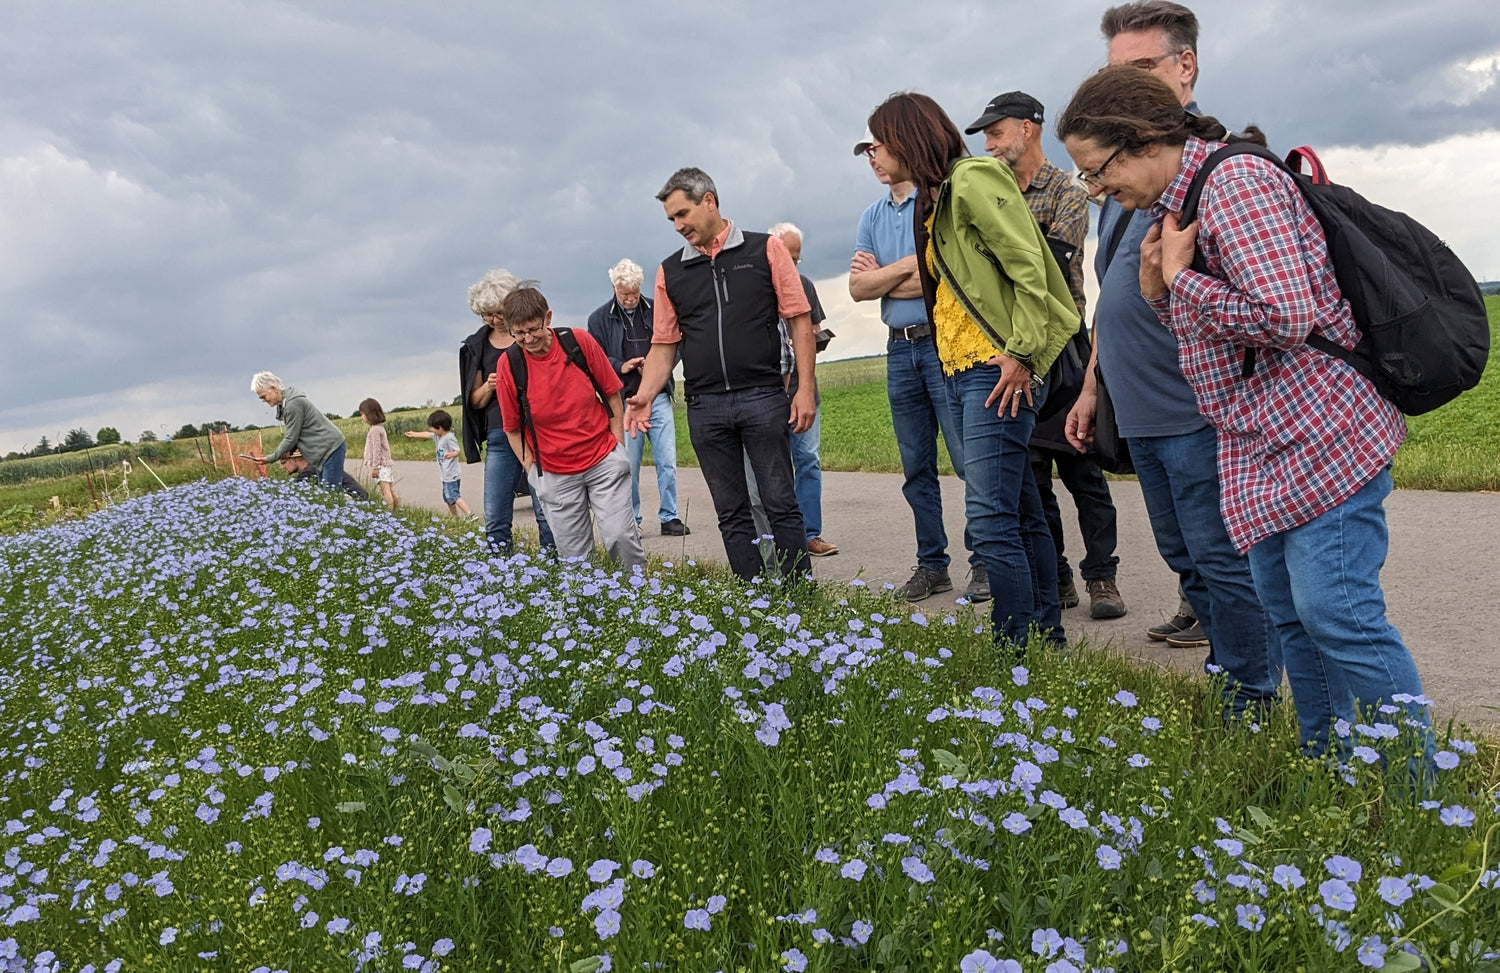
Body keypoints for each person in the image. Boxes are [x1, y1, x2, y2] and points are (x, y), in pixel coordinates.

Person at [1058, 66, 1429, 754]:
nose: (1096, 188)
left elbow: (1285, 316)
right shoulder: (1173, 205)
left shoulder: (1235, 185)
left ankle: (1420, 793)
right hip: (1258, 443)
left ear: (1139, 141)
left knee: (1337, 612)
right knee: (1290, 616)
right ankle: (1330, 768)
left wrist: (1176, 279)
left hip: (1322, 433)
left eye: (1095, 170)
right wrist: (1159, 291)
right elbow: (1213, 333)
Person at [1066, 1, 1257, 656]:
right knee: (1183, 547)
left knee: (1221, 553)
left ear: (1186, 66)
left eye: (1143, 67)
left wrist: (1178, 284)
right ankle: (1216, 637)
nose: (1127, 88)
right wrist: (1094, 381)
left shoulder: (1217, 171)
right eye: (1116, 72)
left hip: (1194, 405)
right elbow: (1112, 293)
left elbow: (1269, 308)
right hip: (1140, 403)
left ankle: (1246, 679)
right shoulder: (1125, 178)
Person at [866, 92, 1078, 651]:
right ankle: (1046, 637)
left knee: (988, 520)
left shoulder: (974, 179)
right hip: (960, 368)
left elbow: (1028, 265)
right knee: (1020, 507)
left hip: (996, 367)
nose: (874, 154)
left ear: (910, 139)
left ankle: (1012, 651)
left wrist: (1022, 352)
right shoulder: (932, 202)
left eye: (881, 141)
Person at [966, 90, 1127, 620]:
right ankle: (1056, 576)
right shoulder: (994, 193)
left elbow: (1050, 263)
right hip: (1013, 347)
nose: (988, 144)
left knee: (1082, 468)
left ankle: (1102, 576)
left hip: (1063, 344)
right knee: (1032, 473)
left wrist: (1000, 251)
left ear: (1027, 130)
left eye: (995, 132)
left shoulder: (1065, 189)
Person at [626, 167, 815, 582]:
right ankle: (754, 596)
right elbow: (663, 344)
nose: (678, 226)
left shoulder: (765, 250)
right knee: (730, 511)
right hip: (705, 406)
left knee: (780, 501)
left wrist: (805, 389)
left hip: (763, 396)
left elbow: (800, 320)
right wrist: (645, 393)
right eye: (671, 219)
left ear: (708, 200)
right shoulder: (669, 272)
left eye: (682, 214)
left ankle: (801, 598)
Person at [850, 132, 987, 603]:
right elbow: (857, 289)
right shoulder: (871, 215)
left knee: (969, 459)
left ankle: (984, 560)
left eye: (879, 148)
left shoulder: (934, 203)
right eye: (867, 152)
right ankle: (933, 565)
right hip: (899, 349)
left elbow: (940, 275)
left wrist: (888, 277)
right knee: (916, 466)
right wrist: (905, 269)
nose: (873, 159)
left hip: (941, 344)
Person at [496, 287, 646, 571]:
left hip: (603, 460)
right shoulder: (509, 365)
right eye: (518, 334)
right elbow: (512, 429)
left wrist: (618, 448)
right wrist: (531, 469)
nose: (527, 339)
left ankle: (638, 601)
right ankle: (588, 611)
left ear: (547, 318)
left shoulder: (578, 342)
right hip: (554, 473)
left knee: (621, 538)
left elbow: (612, 394)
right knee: (576, 560)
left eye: (533, 329)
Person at [586, 258, 690, 537]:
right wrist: (622, 365)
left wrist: (658, 368)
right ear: (613, 288)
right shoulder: (597, 319)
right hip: (625, 400)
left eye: (634, 292)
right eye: (624, 294)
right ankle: (632, 518)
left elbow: (675, 344)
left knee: (667, 459)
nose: (630, 298)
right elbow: (594, 358)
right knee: (628, 464)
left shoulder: (657, 309)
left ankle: (670, 517)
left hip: (657, 395)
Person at [458, 269, 556, 553]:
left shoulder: (529, 336)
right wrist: (489, 387)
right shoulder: (475, 347)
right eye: (486, 315)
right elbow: (473, 402)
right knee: (496, 512)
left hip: (538, 432)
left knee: (545, 508)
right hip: (500, 433)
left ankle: (554, 567)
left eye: (499, 313)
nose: (494, 320)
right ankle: (502, 572)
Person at [765, 222, 837, 558]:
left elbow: (816, 331)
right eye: (787, 257)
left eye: (797, 259)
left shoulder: (805, 285)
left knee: (807, 460)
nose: (793, 266)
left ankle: (810, 533)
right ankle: (776, 537)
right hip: (766, 392)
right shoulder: (758, 288)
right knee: (771, 465)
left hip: (802, 389)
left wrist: (809, 342)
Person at [249, 372, 348, 491]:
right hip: (323, 451)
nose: (263, 400)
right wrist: (289, 450)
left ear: (273, 389)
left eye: (263, 396)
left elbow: (291, 438)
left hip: (330, 448)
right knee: (325, 491)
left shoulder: (292, 405)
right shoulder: (285, 405)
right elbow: (297, 432)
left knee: (331, 493)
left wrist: (270, 458)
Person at [405, 409, 474, 519]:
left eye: (432, 427)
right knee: (447, 497)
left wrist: (452, 454)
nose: (430, 429)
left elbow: (457, 450)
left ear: (440, 427)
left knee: (453, 495)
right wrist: (414, 434)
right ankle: (455, 517)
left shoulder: (449, 437)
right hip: (446, 475)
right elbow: (427, 434)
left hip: (451, 474)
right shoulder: (438, 436)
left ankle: (470, 515)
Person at [277, 450, 368, 499]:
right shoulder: (313, 466)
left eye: (284, 462)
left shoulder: (309, 471)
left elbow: (294, 494)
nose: (282, 467)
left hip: (355, 498)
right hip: (357, 496)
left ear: (294, 459)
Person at [358, 397, 398, 509]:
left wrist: (375, 467)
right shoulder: (380, 428)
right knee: (391, 488)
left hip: (381, 465)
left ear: (369, 414)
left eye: (362, 414)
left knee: (385, 490)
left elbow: (377, 450)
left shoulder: (375, 430)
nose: (361, 417)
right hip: (386, 464)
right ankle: (397, 509)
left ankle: (390, 512)